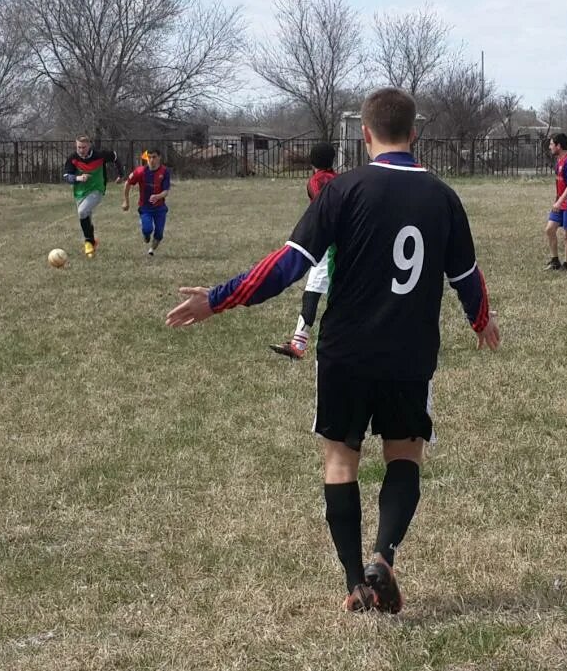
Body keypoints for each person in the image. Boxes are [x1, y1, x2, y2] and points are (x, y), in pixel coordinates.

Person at [166, 87, 500, 615]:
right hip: (409, 353)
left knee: (341, 460)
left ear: (364, 134)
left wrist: (217, 299)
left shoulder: (342, 190)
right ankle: (383, 557)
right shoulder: (442, 197)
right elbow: (465, 276)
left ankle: (355, 583)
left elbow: (287, 266)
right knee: (405, 453)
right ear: (415, 134)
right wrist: (482, 320)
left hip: (345, 352)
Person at [269, 141, 339, 359]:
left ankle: (298, 344)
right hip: (346, 242)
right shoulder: (340, 180)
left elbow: (323, 210)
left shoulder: (316, 181)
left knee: (312, 293)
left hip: (328, 244)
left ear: (311, 161)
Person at [62, 136, 124, 258]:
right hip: (80, 192)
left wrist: (121, 174)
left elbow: (115, 157)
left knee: (82, 211)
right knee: (85, 216)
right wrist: (77, 178)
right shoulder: (72, 158)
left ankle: (88, 242)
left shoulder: (100, 155)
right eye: (79, 147)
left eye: (84, 147)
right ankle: (93, 242)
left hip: (97, 189)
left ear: (89, 145)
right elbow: (66, 176)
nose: (81, 150)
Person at [122, 148, 171, 256]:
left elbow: (166, 191)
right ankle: (146, 234)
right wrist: (126, 201)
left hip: (160, 208)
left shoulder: (164, 171)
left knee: (159, 234)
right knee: (148, 229)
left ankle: (151, 250)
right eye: (149, 157)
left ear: (159, 157)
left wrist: (158, 196)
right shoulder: (140, 171)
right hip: (145, 207)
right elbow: (127, 183)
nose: (151, 160)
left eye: (154, 157)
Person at [544, 133, 567, 271]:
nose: (550, 147)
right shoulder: (559, 160)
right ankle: (555, 261)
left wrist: (560, 201)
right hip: (560, 203)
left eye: (551, 144)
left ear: (559, 146)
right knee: (549, 229)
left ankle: (566, 265)